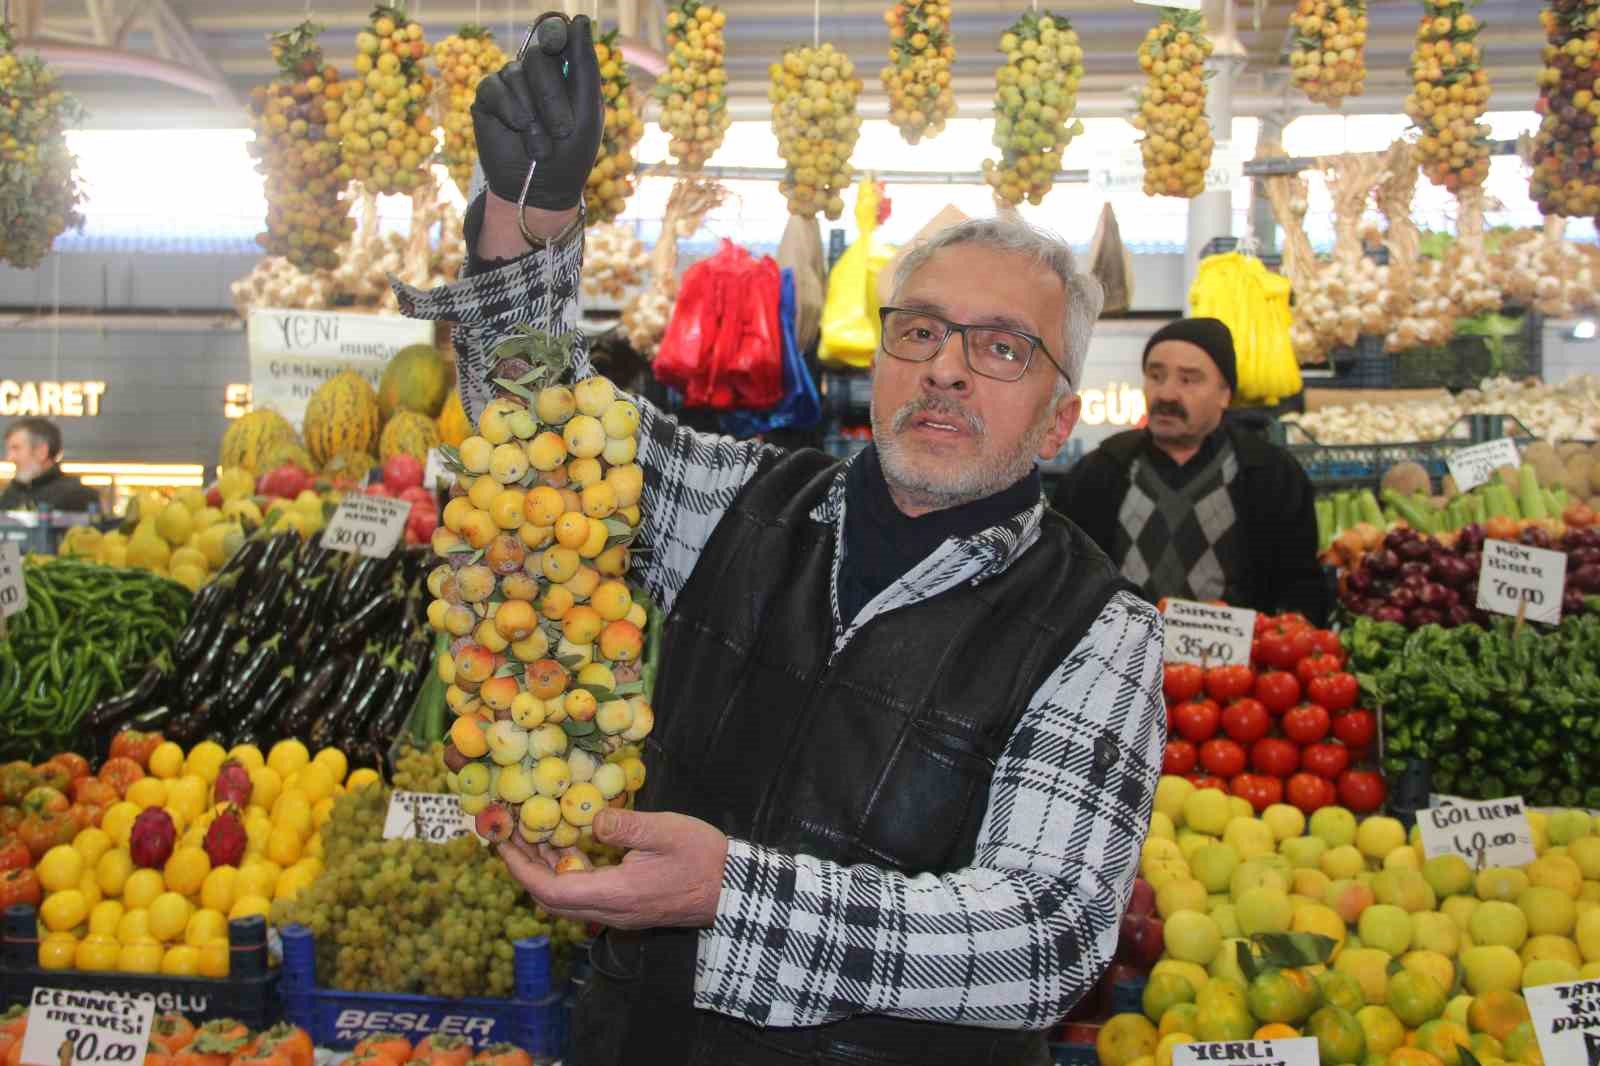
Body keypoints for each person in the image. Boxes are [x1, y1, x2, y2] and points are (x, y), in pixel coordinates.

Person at [393, 17, 1164, 1064]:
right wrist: (526, 226)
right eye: (920, 329)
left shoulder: (1095, 627)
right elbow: (539, 437)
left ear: (1060, 419)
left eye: (1000, 348)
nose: (944, 368)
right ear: (883, 360)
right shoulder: (746, 495)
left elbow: (1047, 937)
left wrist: (730, 894)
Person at [1052, 318, 1327, 621]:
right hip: (1118, 660)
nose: (1166, 394)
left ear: (1225, 393)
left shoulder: (1271, 475)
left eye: (1188, 379)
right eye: (1156, 376)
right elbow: (1063, 582)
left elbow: (1301, 586)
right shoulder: (1099, 470)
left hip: (1234, 665)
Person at [0, 418, 99, 512]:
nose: (10, 458)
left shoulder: (76, 496)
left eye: (16, 448)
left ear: (41, 451)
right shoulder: (10, 494)